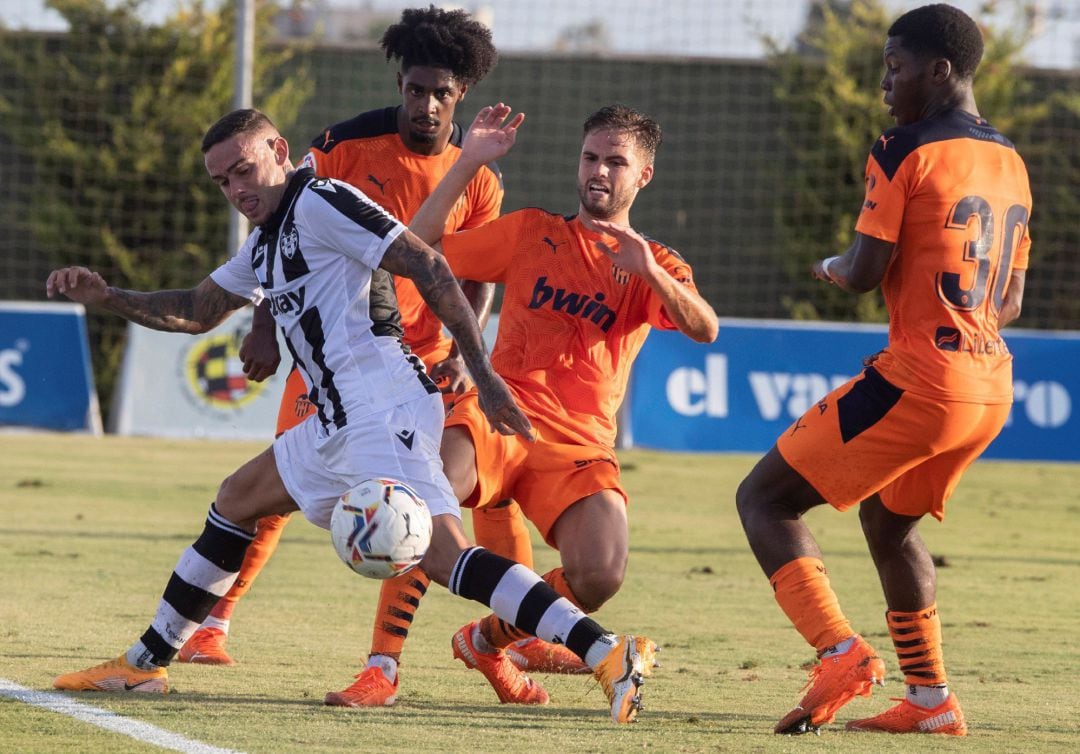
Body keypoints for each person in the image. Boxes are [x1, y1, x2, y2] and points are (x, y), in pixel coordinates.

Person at [46, 108, 657, 725]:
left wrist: (485, 374)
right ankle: (146, 664)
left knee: (444, 557)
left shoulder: (322, 202)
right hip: (337, 418)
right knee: (235, 501)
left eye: (243, 169)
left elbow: (430, 264)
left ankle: (604, 652)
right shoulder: (264, 240)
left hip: (383, 408)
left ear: (278, 150)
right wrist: (108, 297)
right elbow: (200, 310)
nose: (236, 189)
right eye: (222, 182)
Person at [178, 7, 579, 701]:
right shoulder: (342, 144)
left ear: (461, 96)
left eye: (440, 94)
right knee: (268, 491)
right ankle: (214, 622)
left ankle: (416, 661)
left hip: (419, 363)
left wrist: (460, 346)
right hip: (335, 352)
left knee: (442, 500)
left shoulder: (477, 174)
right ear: (400, 80)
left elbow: (473, 269)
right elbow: (283, 231)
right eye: (415, 89)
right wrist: (267, 324)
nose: (424, 105)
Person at [735, 3, 1032, 736]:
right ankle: (931, 703)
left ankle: (840, 654)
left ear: (939, 71)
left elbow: (866, 272)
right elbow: (1013, 299)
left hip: (922, 380)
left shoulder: (903, 148)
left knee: (764, 500)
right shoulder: (1011, 161)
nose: (883, 82)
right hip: (991, 384)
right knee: (889, 524)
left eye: (895, 67)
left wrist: (836, 266)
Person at [398, 103, 718, 706]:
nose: (599, 172)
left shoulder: (657, 265)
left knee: (601, 573)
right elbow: (422, 241)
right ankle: (382, 664)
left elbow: (705, 329)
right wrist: (470, 160)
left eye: (616, 162)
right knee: (423, 505)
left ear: (643, 175)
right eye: (591, 157)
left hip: (577, 448)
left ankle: (488, 639)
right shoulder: (531, 231)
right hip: (500, 416)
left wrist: (649, 269)